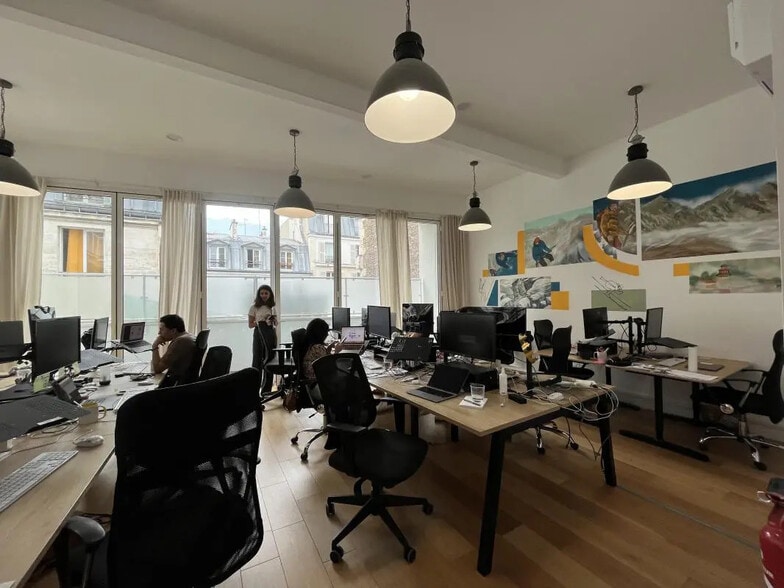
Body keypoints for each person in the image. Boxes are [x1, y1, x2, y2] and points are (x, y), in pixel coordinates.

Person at [248, 285, 278, 393]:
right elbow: (250, 325)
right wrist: (260, 322)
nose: (264, 295)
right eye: (262, 293)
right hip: (259, 333)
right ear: (259, 295)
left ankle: (266, 391)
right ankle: (254, 390)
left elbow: (276, 324)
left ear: (270, 294)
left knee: (269, 360)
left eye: (266, 293)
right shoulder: (254, 307)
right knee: (257, 360)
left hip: (270, 333)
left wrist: (272, 320)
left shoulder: (272, 307)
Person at [151, 314, 197, 380]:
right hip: (187, 381)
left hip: (177, 382)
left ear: (173, 331)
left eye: (161, 330)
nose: (159, 333)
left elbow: (157, 369)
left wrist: (154, 346)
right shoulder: (189, 337)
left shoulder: (180, 342)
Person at [301, 318, 343, 385]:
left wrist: (328, 350)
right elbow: (329, 367)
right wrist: (336, 352)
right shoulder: (318, 348)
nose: (327, 334)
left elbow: (323, 360)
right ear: (320, 333)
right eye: (326, 332)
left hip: (313, 379)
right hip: (319, 381)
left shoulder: (310, 345)